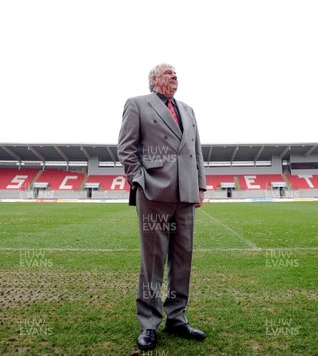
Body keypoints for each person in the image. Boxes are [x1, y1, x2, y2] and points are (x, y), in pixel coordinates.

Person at [117, 63, 207, 351]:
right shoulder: (137, 105)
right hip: (154, 193)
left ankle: (177, 318)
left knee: (183, 261)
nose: (174, 76)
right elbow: (126, 148)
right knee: (153, 262)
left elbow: (197, 152)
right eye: (168, 73)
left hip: (185, 194)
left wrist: (200, 185)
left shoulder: (189, 110)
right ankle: (148, 324)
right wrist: (139, 180)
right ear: (154, 80)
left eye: (176, 73)